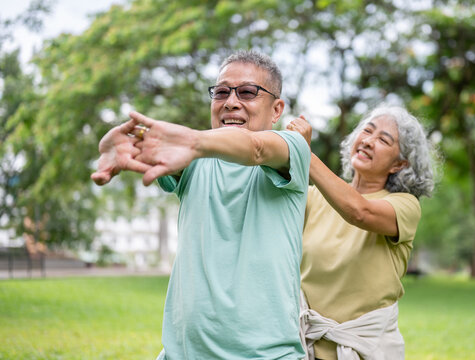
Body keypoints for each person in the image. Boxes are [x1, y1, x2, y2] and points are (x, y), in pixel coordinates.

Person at [91, 50, 310, 359]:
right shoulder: (196, 161)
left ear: (276, 109)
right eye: (221, 92)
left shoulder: (292, 148)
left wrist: (192, 142)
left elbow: (258, 148)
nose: (231, 101)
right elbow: (162, 153)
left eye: (247, 92)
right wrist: (132, 145)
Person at [287, 105, 440, 360]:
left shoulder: (405, 205)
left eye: (383, 140)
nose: (368, 141)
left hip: (365, 351)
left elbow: (360, 212)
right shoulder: (313, 198)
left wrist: (305, 155)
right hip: (304, 348)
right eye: (367, 131)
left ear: (399, 164)